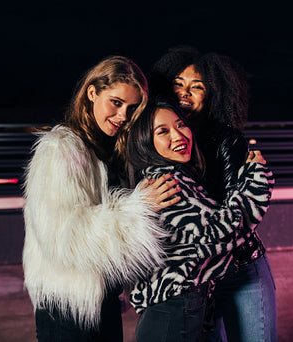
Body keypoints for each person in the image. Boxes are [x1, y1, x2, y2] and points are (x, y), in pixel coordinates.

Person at [22, 56, 182, 341]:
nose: (123, 116)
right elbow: (64, 235)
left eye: (132, 108)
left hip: (102, 299)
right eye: (116, 103)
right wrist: (137, 208)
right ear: (92, 93)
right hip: (68, 304)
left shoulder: (109, 148)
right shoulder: (60, 149)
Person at [151, 46, 278, 342]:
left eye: (197, 87)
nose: (185, 92)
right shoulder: (156, 143)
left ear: (212, 95)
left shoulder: (226, 140)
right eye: (178, 84)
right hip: (197, 278)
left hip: (238, 268)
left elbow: (241, 215)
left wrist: (257, 178)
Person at [126, 98, 274, 342]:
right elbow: (224, 232)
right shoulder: (166, 182)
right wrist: (256, 177)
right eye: (163, 131)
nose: (178, 136)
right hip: (172, 309)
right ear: (145, 142)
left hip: (177, 306)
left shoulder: (172, 175)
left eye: (180, 125)